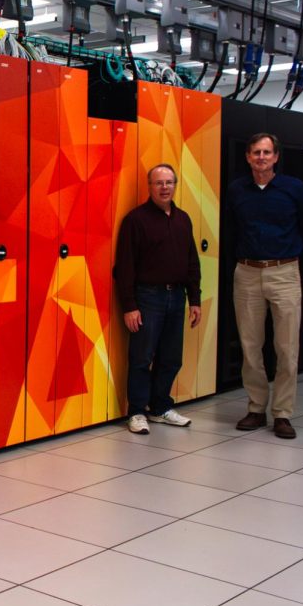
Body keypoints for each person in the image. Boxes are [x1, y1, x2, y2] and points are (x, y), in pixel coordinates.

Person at [227, 133, 303, 439]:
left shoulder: (293, 189)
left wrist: (287, 251)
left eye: (267, 152)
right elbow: (230, 228)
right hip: (247, 272)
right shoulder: (237, 189)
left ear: (276, 157)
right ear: (248, 157)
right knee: (251, 346)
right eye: (256, 152)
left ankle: (282, 414)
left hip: (284, 272)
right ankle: (256, 408)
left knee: (286, 347)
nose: (262, 157)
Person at [115, 164, 202, 434]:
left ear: (175, 185)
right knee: (142, 357)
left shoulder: (183, 219)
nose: (164, 187)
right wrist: (130, 306)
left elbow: (191, 262)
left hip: (176, 297)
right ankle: (138, 412)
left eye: (169, 182)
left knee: (171, 357)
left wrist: (194, 299)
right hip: (147, 297)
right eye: (158, 183)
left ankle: (161, 407)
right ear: (149, 186)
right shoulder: (135, 220)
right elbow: (125, 267)